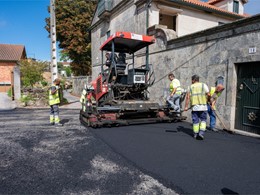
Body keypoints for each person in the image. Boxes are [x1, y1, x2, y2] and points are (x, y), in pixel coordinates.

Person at [184, 75, 209, 140]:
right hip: (203, 107)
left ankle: (195, 134)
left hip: (195, 107)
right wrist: (208, 100)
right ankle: (201, 134)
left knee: (195, 121)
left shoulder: (190, 87)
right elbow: (208, 94)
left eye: (191, 80)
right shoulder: (204, 85)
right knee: (203, 120)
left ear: (193, 80)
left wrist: (186, 106)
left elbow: (188, 97)